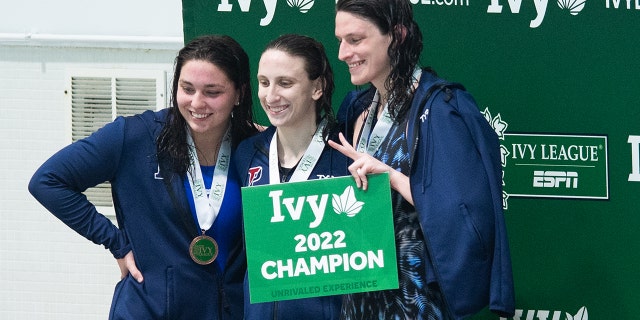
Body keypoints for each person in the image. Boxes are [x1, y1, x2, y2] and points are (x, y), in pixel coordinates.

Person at [28, 35, 259, 319]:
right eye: (187, 89)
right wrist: (115, 242)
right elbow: (48, 181)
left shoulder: (255, 149)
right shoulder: (136, 136)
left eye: (212, 92)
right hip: (149, 310)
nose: (197, 102)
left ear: (239, 94)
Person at [331, 0, 516, 319]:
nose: (343, 53)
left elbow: (465, 211)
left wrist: (391, 175)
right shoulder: (358, 107)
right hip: (360, 294)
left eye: (356, 40)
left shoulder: (441, 109)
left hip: (414, 300)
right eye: (341, 41)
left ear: (397, 35)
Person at [234, 34, 346, 320]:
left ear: (317, 87)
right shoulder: (247, 153)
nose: (271, 96)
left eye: (285, 83)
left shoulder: (347, 155)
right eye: (264, 82)